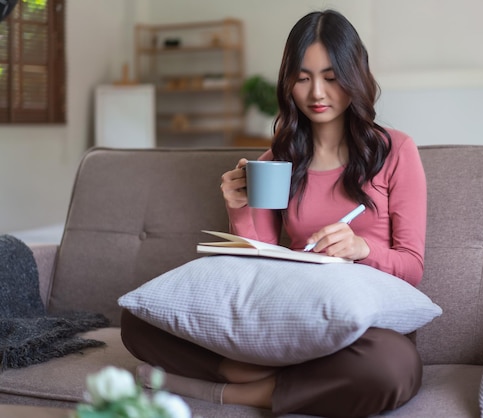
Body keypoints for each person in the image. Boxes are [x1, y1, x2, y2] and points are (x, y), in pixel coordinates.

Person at [121, 9, 427, 417]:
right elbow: (261, 261)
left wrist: (361, 248)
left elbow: (412, 265)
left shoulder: (395, 151)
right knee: (138, 324)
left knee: (394, 367)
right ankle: (273, 373)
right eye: (303, 78)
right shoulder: (277, 161)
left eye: (331, 77)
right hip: (291, 314)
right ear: (289, 82)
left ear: (356, 76)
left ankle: (242, 389)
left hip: (365, 329)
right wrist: (239, 208)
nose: (317, 92)